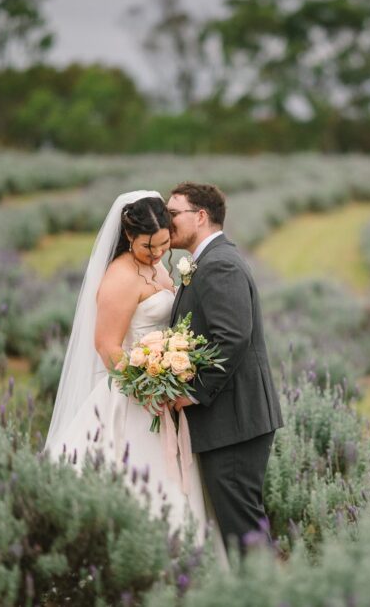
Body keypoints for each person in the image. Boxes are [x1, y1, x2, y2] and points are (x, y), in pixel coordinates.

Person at [43, 190, 223, 557]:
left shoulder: (158, 267)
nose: (157, 254)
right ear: (128, 237)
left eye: (163, 245)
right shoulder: (120, 277)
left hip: (163, 392)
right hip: (133, 397)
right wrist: (147, 388)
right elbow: (107, 346)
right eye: (147, 247)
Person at [166, 182, 284, 552]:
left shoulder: (219, 264)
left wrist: (192, 392)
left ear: (200, 216)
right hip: (229, 421)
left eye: (172, 214)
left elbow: (233, 338)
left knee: (243, 530)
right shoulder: (209, 261)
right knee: (236, 528)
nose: (165, 221)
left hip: (235, 422)